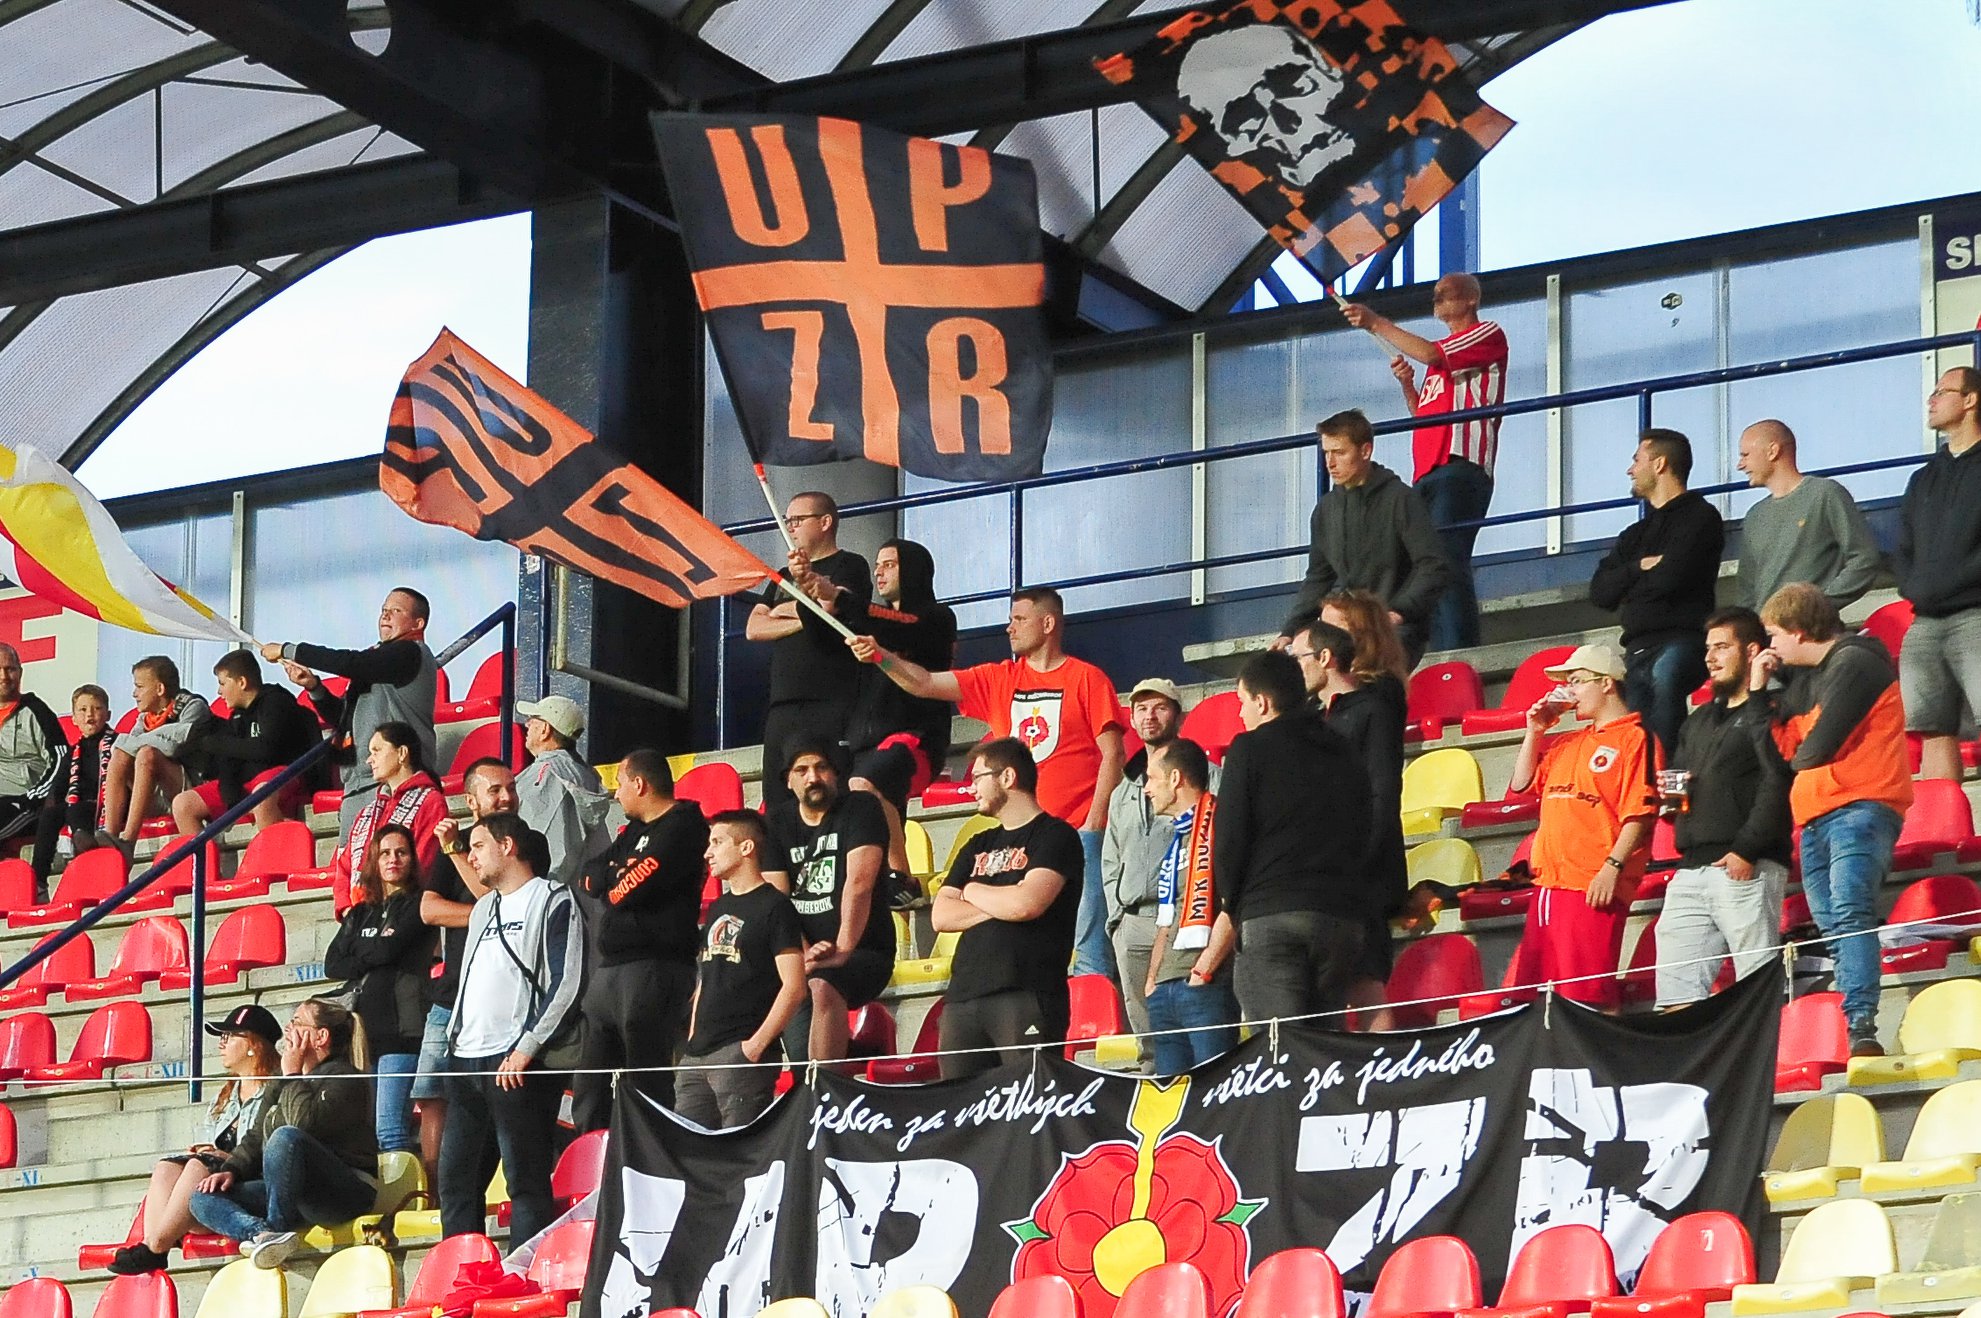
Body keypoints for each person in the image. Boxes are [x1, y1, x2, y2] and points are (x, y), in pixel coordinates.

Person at [851, 587, 1124, 978]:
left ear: (1048, 623)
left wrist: (1094, 823)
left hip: (1079, 831)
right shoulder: (999, 679)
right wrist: (881, 656)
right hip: (1021, 839)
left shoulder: (1087, 678)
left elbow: (1113, 753)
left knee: (1089, 951)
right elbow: (924, 682)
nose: (1009, 627)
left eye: (1019, 619)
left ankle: (1092, 1011)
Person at [1750, 583, 1912, 1056]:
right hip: (1814, 815)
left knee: (1850, 912)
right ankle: (1856, 1023)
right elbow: (1775, 760)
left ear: (1799, 630)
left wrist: (1795, 751)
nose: (1769, 647)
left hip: (1862, 805)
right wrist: (1758, 693)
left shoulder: (1856, 661)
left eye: (1773, 634)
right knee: (1834, 925)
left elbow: (1814, 751)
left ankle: (1861, 1026)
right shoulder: (1802, 681)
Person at [1344, 274, 1509, 650]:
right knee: (1421, 562)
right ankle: (1432, 648)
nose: (1436, 298)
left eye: (1445, 293)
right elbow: (1425, 414)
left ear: (1471, 299)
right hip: (1428, 469)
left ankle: (1459, 649)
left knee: (1444, 555)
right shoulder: (1440, 362)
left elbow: (1433, 354)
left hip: (1461, 462)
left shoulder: (1485, 334)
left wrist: (1377, 322)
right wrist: (1408, 386)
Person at [442, 813, 586, 1245]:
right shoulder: (482, 908)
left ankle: (524, 1273)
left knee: (525, 1180)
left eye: (478, 846)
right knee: (455, 1182)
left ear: (507, 846)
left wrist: (527, 1047)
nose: (471, 857)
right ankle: (463, 1275)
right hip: (465, 1058)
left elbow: (566, 981)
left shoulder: (553, 897)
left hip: (516, 1060)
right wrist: (453, 1039)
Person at [1213, 650, 1375, 1022]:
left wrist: (1232, 904)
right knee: (1323, 1044)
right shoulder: (1344, 749)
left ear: (1262, 702)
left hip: (1272, 912)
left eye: (1242, 702)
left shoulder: (1249, 749)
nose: (1241, 714)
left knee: (1279, 1046)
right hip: (1340, 916)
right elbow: (1365, 824)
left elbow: (1230, 837)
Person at [1504, 644, 1660, 1012]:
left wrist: (1612, 867)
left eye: (1576, 681)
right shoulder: (1567, 742)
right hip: (1548, 884)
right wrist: (1534, 731)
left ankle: (1603, 1051)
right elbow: (1522, 784)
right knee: (1539, 998)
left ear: (1606, 683)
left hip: (1591, 885)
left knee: (1590, 996)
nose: (1568, 691)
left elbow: (1639, 813)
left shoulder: (1636, 738)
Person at [1654, 608, 1793, 1008]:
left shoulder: (1773, 711)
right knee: (1675, 992)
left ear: (1751, 651)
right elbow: (1677, 780)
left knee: (1757, 986)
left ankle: (1771, 1049)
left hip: (1745, 865)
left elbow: (1777, 782)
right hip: (1690, 866)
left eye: (1721, 647)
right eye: (1707, 649)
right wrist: (1671, 796)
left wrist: (1746, 850)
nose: (1710, 658)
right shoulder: (1698, 719)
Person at [187, 998, 379, 1270]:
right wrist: (232, 1170)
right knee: (202, 1197)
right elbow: (256, 1134)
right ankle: (263, 1235)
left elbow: (303, 1125)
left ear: (321, 1037)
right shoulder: (283, 1077)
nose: (288, 1028)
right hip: (292, 1190)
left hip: (343, 1193)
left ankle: (277, 1228)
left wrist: (292, 1075)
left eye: (297, 1022)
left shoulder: (345, 1078)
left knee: (285, 1136)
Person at [574, 749, 707, 1133]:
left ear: (639, 784)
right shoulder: (633, 831)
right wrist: (613, 875)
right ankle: (593, 1157)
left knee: (646, 1082)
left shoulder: (683, 826)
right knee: (590, 1086)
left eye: (619, 785)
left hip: (655, 967)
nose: (616, 794)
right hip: (611, 968)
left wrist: (614, 878)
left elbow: (626, 890)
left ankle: (650, 1155)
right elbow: (589, 875)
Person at [934, 738, 1083, 1079]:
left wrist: (972, 891)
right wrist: (1004, 899)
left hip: (1026, 990)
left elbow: (1027, 904)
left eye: (977, 777)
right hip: (963, 995)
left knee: (1028, 1099)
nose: (971, 787)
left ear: (1007, 777)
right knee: (959, 1104)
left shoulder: (1055, 835)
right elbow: (941, 916)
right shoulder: (977, 843)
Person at [107, 1004, 281, 1274]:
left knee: (197, 1166)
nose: (221, 1043)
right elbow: (208, 1137)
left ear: (253, 1045)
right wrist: (205, 1149)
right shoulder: (226, 1094)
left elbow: (271, 1148)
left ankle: (156, 1247)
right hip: (211, 1190)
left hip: (248, 1185)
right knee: (167, 1166)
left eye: (229, 1036)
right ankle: (153, 1243)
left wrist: (230, 1159)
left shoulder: (276, 1089)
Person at [1295, 620, 1408, 1028]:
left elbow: (1383, 792)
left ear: (1325, 658)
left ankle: (1382, 1060)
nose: (1295, 668)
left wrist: (1360, 859)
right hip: (1320, 873)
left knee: (1365, 982)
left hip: (1361, 874)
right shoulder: (1308, 719)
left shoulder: (1372, 709)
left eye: (1299, 658)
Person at [1273, 409, 1451, 667]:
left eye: (1339, 452)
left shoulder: (1400, 499)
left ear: (1366, 451)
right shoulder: (1325, 510)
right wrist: (1289, 631)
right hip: (1346, 631)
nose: (1330, 463)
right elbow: (1318, 578)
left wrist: (1397, 613)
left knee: (1359, 674)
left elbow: (1434, 566)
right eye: (1326, 453)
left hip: (1396, 631)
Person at [1589, 428, 1726, 756]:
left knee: (1665, 682)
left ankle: (1670, 774)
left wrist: (1629, 586)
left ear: (1660, 464)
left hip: (1683, 642)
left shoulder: (1700, 517)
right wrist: (1638, 568)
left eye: (1637, 460)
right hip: (1636, 650)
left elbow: (1671, 579)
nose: (1630, 470)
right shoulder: (1634, 534)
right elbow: (1600, 592)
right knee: (1637, 734)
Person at [827, 538, 956, 880]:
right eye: (877, 566)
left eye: (889, 564)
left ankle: (901, 877)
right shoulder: (870, 623)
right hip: (864, 742)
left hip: (916, 737)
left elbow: (899, 624)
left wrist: (840, 598)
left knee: (866, 784)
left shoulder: (937, 618)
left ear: (912, 570)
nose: (879, 573)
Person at [262, 587, 439, 837]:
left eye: (396, 610)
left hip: (394, 784)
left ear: (417, 623)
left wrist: (289, 650)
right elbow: (344, 719)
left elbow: (350, 662)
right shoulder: (378, 662)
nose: (385, 615)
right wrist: (314, 688)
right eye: (384, 610)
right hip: (358, 787)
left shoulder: (409, 652)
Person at [762, 743, 895, 1063]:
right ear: (788, 781)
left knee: (823, 984)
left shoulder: (860, 807)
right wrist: (805, 954)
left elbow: (859, 884)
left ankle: (825, 1085)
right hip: (803, 956)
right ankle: (849, 1056)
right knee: (799, 1054)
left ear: (836, 774)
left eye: (821, 767)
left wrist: (843, 948)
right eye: (801, 770)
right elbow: (776, 902)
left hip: (863, 949)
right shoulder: (776, 823)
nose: (813, 777)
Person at [675, 810, 808, 1129]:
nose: (708, 853)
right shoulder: (718, 907)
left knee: (741, 1147)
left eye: (718, 842)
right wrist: (692, 1038)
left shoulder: (775, 907)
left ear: (746, 847)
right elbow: (706, 977)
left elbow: (794, 986)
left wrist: (754, 1047)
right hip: (697, 1056)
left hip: (741, 1052)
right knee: (689, 1148)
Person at [416, 759, 512, 1193]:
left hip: (497, 1000)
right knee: (431, 1093)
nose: (506, 797)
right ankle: (436, 1199)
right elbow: (428, 909)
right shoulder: (452, 846)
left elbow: (496, 895)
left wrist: (456, 851)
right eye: (495, 790)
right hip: (450, 995)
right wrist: (480, 916)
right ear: (471, 800)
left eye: (510, 788)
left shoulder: (518, 843)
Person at [746, 492, 871, 810]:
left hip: (828, 700)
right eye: (788, 521)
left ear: (825, 522)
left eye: (798, 520)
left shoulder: (850, 565)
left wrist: (783, 612)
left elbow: (832, 607)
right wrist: (806, 616)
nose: (790, 527)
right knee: (778, 799)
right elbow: (754, 627)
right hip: (783, 705)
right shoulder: (782, 576)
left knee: (830, 794)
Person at [323, 823, 435, 1155]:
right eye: (385, 853)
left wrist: (363, 951)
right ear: (375, 860)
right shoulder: (360, 912)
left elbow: (390, 951)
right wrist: (377, 951)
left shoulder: (419, 903)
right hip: (363, 1035)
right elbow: (333, 964)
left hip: (403, 1031)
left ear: (412, 859)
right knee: (367, 1132)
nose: (393, 859)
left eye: (401, 852)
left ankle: (406, 1188)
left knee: (390, 1129)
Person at [1897, 367, 1981, 782]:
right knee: (1932, 730)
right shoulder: (1924, 477)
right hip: (1925, 622)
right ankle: (1943, 824)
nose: (1930, 400)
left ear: (1970, 400)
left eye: (1941, 392)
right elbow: (1904, 546)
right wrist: (1912, 586)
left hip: (1976, 615)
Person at [1102, 678, 1192, 1055]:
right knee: (1149, 1041)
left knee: (1195, 1026)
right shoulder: (1122, 790)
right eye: (1141, 709)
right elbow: (1111, 858)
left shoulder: (1207, 776)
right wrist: (1118, 922)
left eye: (1159, 707)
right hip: (1134, 923)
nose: (1149, 716)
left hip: (1186, 919)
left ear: (1179, 716)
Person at [1141, 738, 1240, 1074]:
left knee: (1212, 1090)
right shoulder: (1176, 837)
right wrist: (1152, 981)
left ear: (1175, 779)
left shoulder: (1222, 824)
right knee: (1173, 1097)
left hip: (1205, 987)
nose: (1146, 789)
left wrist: (1203, 970)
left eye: (1151, 778)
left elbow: (1234, 901)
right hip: (1165, 990)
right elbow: (1166, 918)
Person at [1735, 419, 1881, 611]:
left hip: (1812, 627)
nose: (1740, 465)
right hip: (1766, 628)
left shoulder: (1825, 494)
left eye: (1745, 455)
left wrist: (1817, 608)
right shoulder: (1754, 516)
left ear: (1772, 451)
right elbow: (1747, 590)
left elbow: (1864, 558)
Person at [171, 650, 319, 836]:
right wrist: (233, 800)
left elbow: (268, 751)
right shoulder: (237, 716)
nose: (219, 692)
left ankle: (273, 851)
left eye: (222, 683)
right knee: (183, 805)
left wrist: (217, 744)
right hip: (249, 781)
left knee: (261, 796)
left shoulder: (276, 702)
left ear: (242, 682)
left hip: (285, 775)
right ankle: (203, 856)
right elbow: (228, 760)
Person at [99, 655, 212, 853]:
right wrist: (152, 738)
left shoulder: (194, 707)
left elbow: (173, 747)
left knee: (146, 754)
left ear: (160, 689)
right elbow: (126, 748)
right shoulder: (144, 717)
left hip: (189, 793)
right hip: (155, 794)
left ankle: (128, 842)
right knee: (120, 756)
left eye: (139, 687)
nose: (134, 694)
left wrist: (133, 742)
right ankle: (110, 836)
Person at [512, 694, 611, 887]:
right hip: (584, 896)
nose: (527, 724)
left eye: (533, 719)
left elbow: (542, 845)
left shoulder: (547, 773)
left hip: (550, 895)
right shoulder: (583, 772)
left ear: (545, 730)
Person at [333, 722, 445, 891]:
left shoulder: (430, 802)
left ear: (402, 753)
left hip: (404, 902)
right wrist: (347, 906)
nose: (369, 760)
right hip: (361, 906)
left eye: (376, 751)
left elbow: (424, 862)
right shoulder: (367, 813)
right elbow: (344, 868)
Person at [30, 680, 98, 898]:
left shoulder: (116, 744)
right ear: (74, 719)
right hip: (77, 806)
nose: (90, 715)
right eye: (83, 710)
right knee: (51, 814)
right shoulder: (73, 753)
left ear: (108, 714)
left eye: (97, 709)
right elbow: (58, 788)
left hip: (104, 804)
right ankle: (38, 881)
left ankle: (89, 856)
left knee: (74, 810)